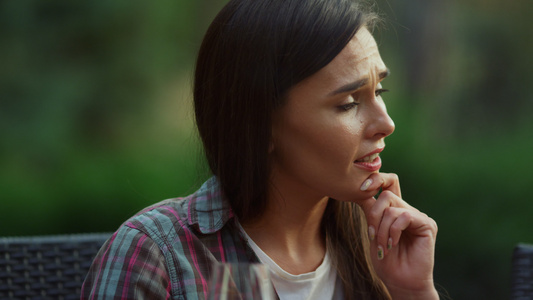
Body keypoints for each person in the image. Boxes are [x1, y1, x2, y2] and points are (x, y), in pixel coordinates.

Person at [81, 0, 439, 299]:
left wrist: (411, 291)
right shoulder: (156, 257)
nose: (386, 123)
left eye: (379, 92)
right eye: (348, 103)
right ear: (259, 124)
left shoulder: (376, 248)